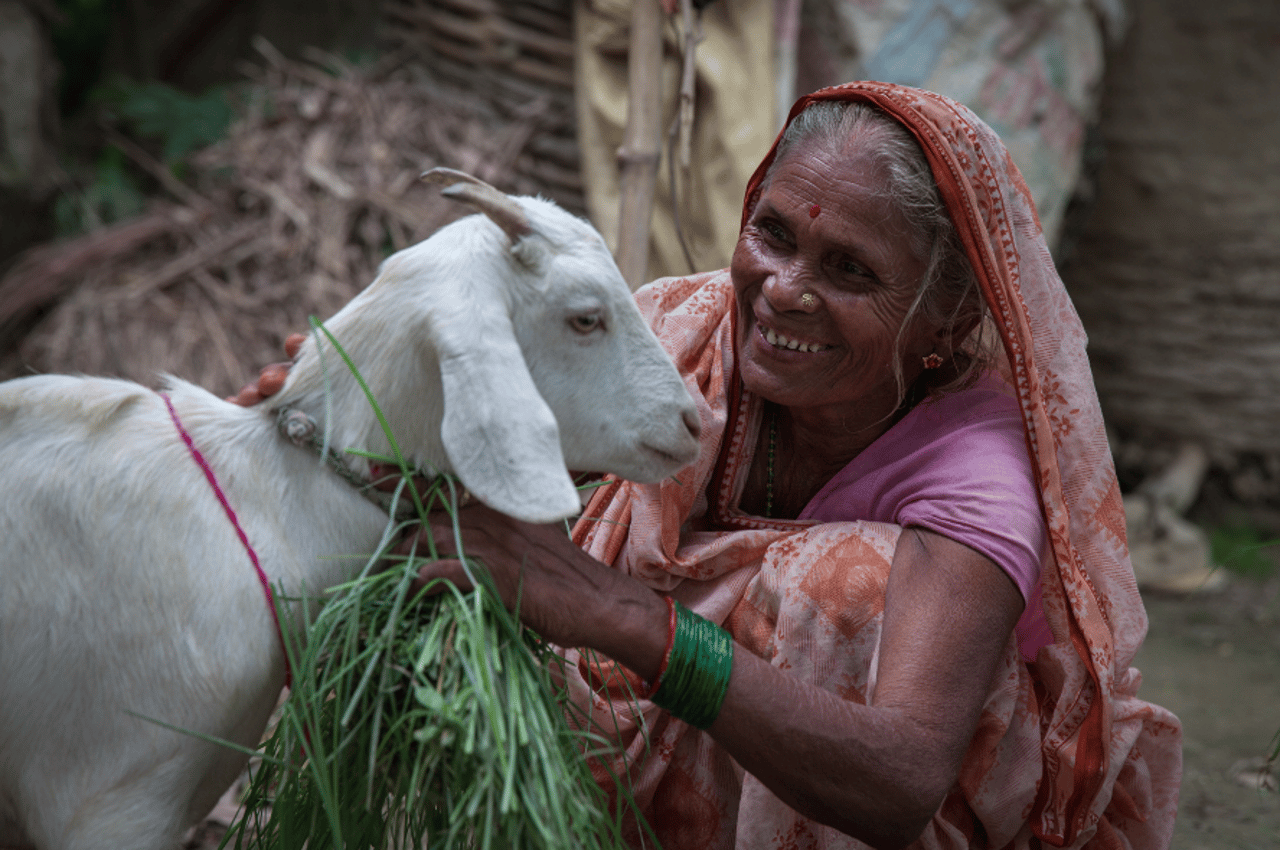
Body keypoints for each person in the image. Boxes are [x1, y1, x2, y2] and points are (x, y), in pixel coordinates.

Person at [235, 82, 1181, 849]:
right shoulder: (676, 337)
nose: (784, 291)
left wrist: (622, 619)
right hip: (659, 770)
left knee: (844, 589)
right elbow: (478, 445)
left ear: (944, 322)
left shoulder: (977, 470)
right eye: (773, 234)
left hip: (908, 814)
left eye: (850, 271)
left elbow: (898, 781)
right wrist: (354, 416)